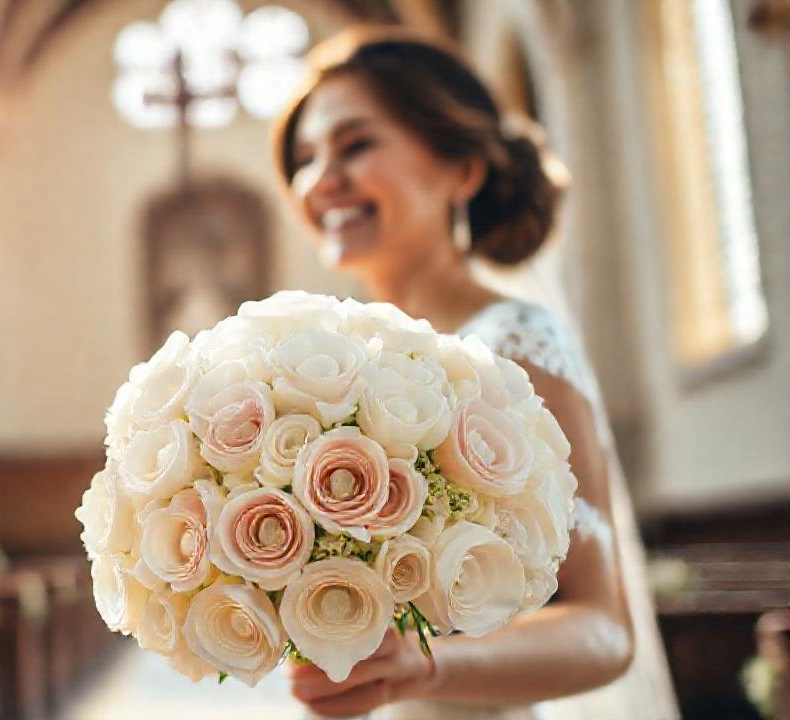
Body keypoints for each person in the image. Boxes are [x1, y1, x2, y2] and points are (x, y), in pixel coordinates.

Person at [271, 26, 677, 719]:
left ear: (462, 170)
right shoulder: (328, 370)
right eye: (307, 157)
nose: (321, 180)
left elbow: (603, 626)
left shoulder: (517, 346)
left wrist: (423, 669)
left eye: (357, 144)